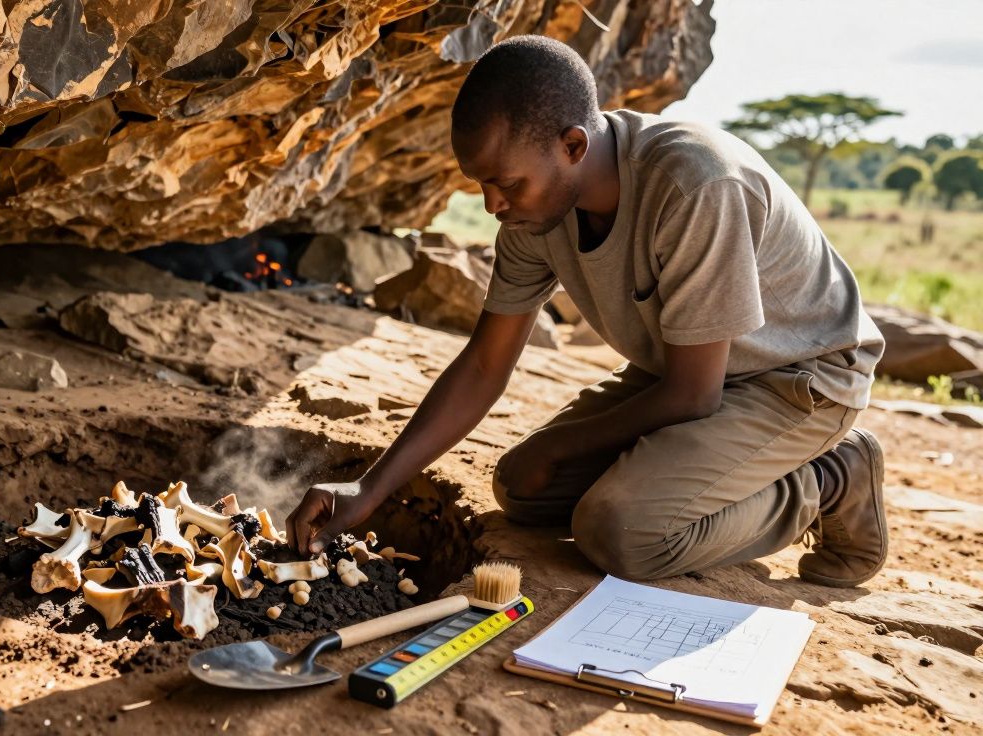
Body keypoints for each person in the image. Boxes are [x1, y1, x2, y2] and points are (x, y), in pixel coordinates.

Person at [285, 35, 888, 588]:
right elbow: (483, 368)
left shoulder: (696, 185)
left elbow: (693, 396)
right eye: (480, 185)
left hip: (797, 380)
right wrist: (369, 489)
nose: (492, 205)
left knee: (621, 532)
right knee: (523, 487)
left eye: (505, 183)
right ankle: (711, 475)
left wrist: (562, 445)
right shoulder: (531, 213)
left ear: (573, 145)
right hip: (685, 375)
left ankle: (829, 477)